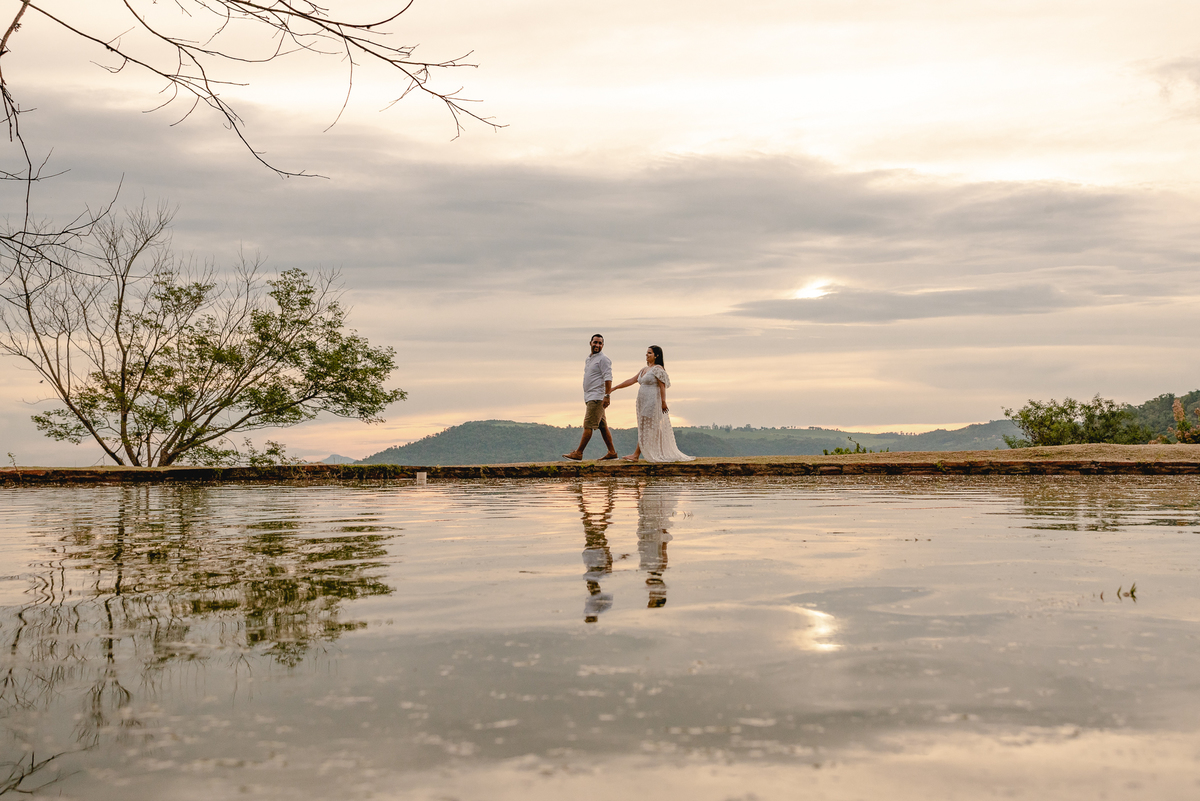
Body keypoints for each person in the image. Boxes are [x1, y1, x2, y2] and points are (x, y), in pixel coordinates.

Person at [611, 345, 694, 463]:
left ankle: (636, 454)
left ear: (656, 355)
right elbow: (632, 380)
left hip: (652, 401)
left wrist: (663, 402)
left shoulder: (658, 369)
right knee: (643, 426)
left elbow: (662, 386)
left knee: (648, 428)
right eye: (647, 353)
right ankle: (638, 453)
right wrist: (615, 388)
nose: (647, 355)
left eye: (649, 353)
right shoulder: (644, 369)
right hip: (642, 401)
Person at [562, 334, 619, 461]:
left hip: (597, 397)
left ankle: (579, 453)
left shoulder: (604, 359)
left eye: (600, 343)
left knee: (588, 425)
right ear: (590, 343)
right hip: (589, 397)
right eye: (595, 342)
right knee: (603, 427)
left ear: (603, 345)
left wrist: (607, 395)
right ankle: (612, 452)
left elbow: (608, 378)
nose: (597, 345)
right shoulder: (588, 359)